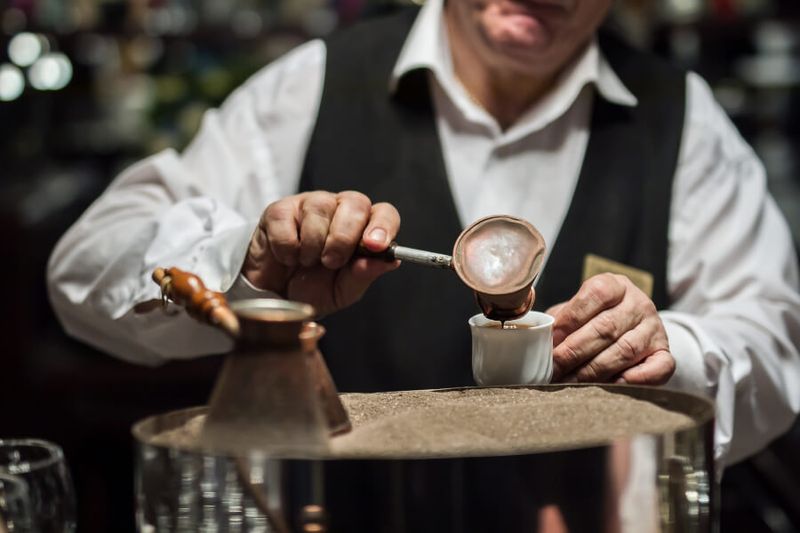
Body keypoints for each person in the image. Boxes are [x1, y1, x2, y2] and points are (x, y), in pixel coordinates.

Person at [47, 0, 800, 472]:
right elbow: (86, 269)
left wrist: (673, 351)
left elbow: (775, 342)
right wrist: (248, 265)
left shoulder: (683, 118)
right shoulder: (312, 85)